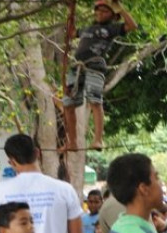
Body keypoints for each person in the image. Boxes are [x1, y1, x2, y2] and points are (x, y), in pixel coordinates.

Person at [60, 0, 137, 152]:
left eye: (105, 12)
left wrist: (120, 9)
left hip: (95, 65)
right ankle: (72, 142)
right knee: (68, 104)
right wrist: (71, 11)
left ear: (113, 16)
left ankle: (98, 140)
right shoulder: (88, 28)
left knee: (94, 101)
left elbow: (132, 26)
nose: (100, 14)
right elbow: (71, 33)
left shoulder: (112, 28)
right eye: (98, 11)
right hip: (77, 67)